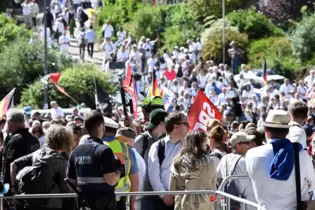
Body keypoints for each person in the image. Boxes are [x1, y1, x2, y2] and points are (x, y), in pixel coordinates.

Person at [245, 110, 315, 210]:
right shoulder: (301, 154)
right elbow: (312, 184)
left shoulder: (251, 154)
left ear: (267, 131)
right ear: (287, 131)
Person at [67, 111, 121, 210]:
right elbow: (111, 180)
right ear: (100, 127)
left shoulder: (76, 152)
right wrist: (119, 171)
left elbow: (71, 182)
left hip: (84, 205)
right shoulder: (104, 150)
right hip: (104, 205)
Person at [10, 125, 73, 209]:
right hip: (54, 203)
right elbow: (65, 188)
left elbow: (13, 164)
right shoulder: (61, 161)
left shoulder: (36, 154)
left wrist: (13, 188)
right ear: (65, 141)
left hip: (32, 201)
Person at [147, 113, 189, 210]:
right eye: (185, 124)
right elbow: (153, 175)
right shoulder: (158, 147)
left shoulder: (188, 146)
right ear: (176, 127)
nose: (188, 126)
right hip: (164, 202)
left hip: (185, 200)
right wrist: (164, 195)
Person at [170, 130, 216, 210]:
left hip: (182, 204)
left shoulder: (177, 161)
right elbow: (213, 187)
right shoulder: (210, 162)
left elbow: (172, 189)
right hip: (205, 204)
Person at [102, 117, 139, 210]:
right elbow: (135, 179)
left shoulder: (95, 147)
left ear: (101, 129)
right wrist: (132, 204)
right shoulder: (127, 149)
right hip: (121, 200)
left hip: (100, 200)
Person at [217, 132, 257, 210]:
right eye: (247, 143)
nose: (250, 145)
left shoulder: (224, 158)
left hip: (229, 203)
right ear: (238, 146)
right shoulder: (245, 161)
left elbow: (217, 177)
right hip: (247, 204)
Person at [0, 109, 40, 187]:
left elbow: (8, 165)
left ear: (9, 122)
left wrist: (9, 188)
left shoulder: (14, 141)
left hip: (17, 185)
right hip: (34, 182)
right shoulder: (34, 139)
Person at [116, 127, 146, 210]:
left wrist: (131, 203)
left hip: (130, 200)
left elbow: (135, 181)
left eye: (117, 139)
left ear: (125, 139)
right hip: (135, 198)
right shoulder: (137, 155)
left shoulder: (131, 154)